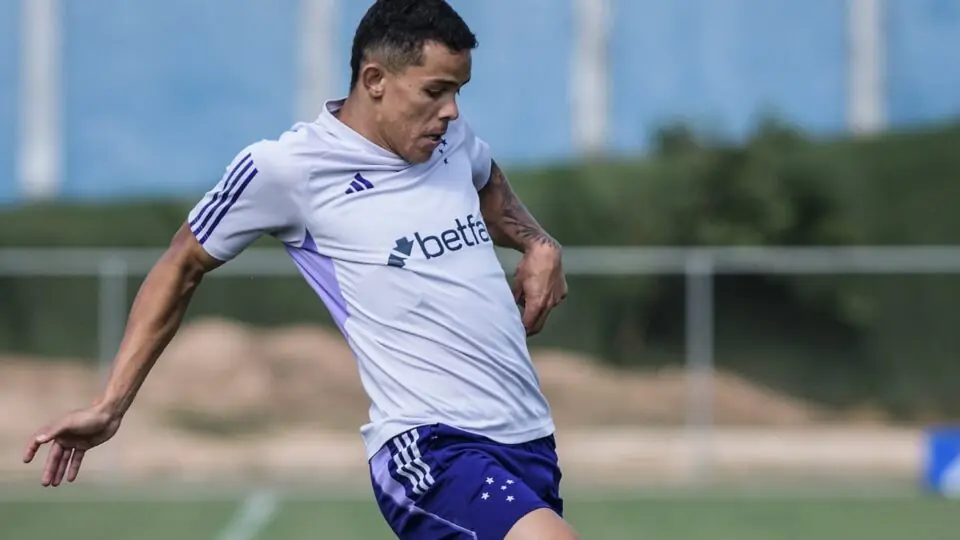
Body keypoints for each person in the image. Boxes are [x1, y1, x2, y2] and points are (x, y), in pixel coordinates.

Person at [22, 0, 576, 538]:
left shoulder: (449, 140)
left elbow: (486, 179)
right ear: (375, 78)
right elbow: (181, 263)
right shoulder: (288, 168)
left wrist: (538, 243)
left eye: (458, 91)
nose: (451, 110)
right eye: (435, 91)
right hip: (431, 446)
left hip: (528, 438)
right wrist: (110, 405)